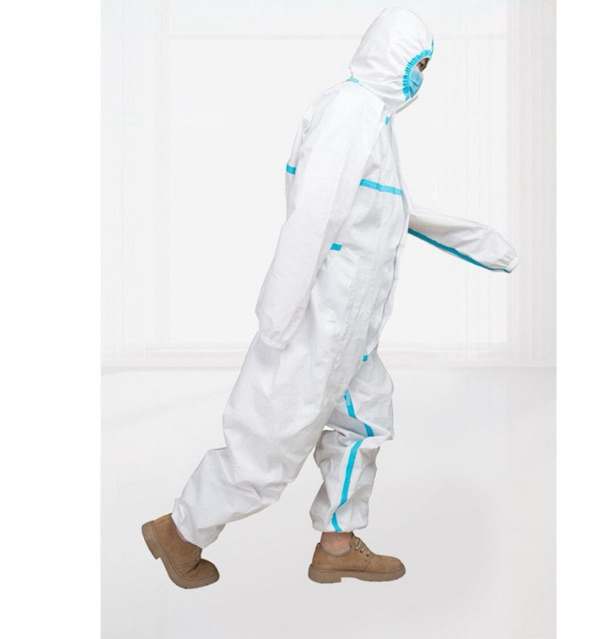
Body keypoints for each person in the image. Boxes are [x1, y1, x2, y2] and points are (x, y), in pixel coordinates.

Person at [142, 6, 519, 589]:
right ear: (391, 54)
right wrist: (278, 317)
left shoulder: (374, 121)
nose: (420, 78)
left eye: (426, 67)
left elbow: (391, 212)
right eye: (417, 64)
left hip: (353, 331)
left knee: (365, 421)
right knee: (268, 448)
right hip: (319, 322)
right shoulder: (350, 111)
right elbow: (313, 216)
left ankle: (337, 545)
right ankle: (180, 531)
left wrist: (481, 243)